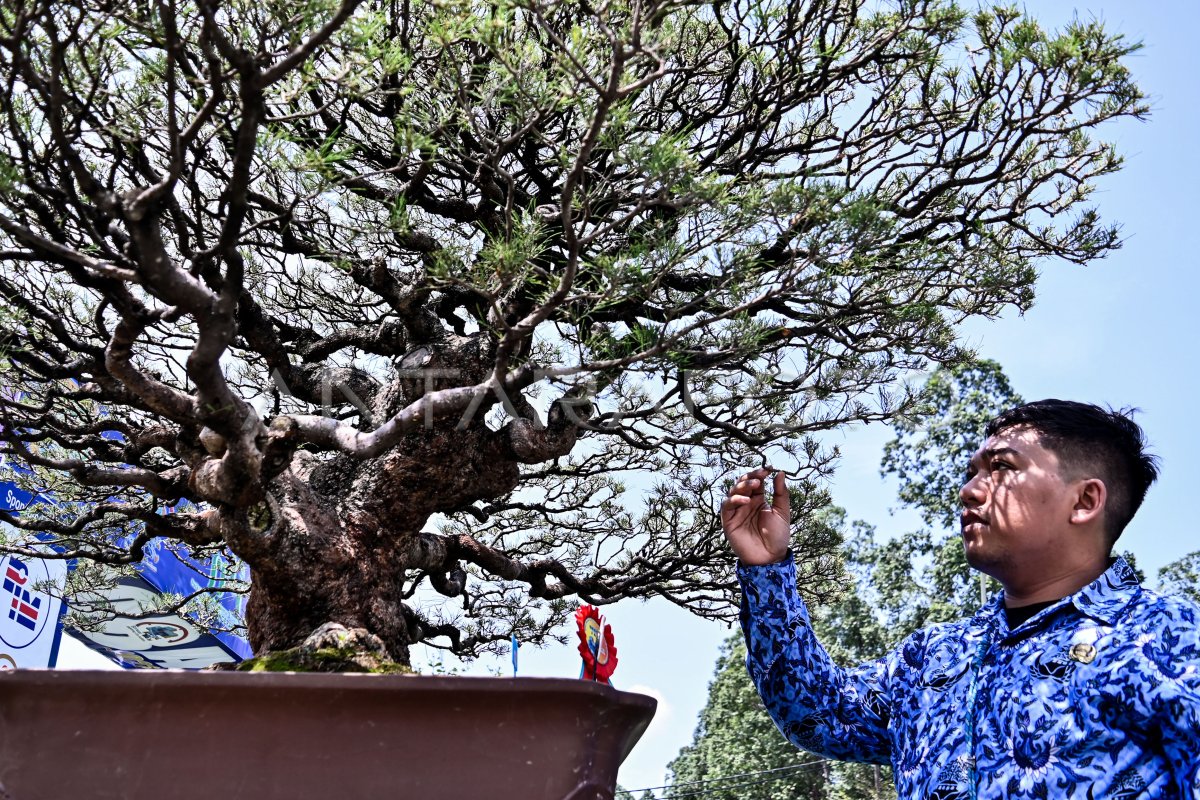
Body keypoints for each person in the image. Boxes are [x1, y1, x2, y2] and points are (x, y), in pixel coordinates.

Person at [722, 400, 1200, 799]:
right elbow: (819, 715)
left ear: (1085, 501)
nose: (969, 491)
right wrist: (766, 573)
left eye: (1002, 468)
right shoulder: (933, 657)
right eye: (972, 473)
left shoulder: (1172, 640)